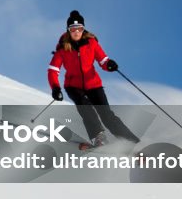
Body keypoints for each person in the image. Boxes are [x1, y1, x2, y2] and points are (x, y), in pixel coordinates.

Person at [47, 10, 139, 149]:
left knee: (107, 115)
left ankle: (131, 141)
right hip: (73, 86)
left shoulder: (91, 43)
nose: (76, 32)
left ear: (83, 29)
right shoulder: (63, 48)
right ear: (68, 31)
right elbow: (53, 70)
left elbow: (103, 60)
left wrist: (109, 64)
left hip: (93, 84)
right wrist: (55, 87)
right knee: (86, 109)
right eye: (73, 29)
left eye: (79, 29)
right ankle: (98, 137)